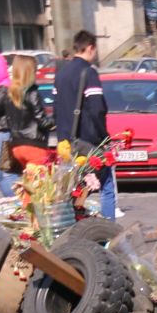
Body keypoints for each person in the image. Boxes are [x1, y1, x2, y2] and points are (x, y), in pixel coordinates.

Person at [54, 30, 119, 219]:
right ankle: (109, 231)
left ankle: (71, 225)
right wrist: (104, 138)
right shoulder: (89, 73)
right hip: (88, 142)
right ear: (90, 48)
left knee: (75, 189)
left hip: (66, 143)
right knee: (106, 186)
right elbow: (97, 108)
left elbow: (56, 110)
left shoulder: (61, 74)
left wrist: (62, 138)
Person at [0, 55, 55, 196]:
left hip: (17, 146)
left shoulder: (10, 92)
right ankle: (32, 215)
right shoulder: (32, 93)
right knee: (40, 191)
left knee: (29, 187)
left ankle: (25, 212)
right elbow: (42, 121)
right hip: (34, 145)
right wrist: (56, 120)